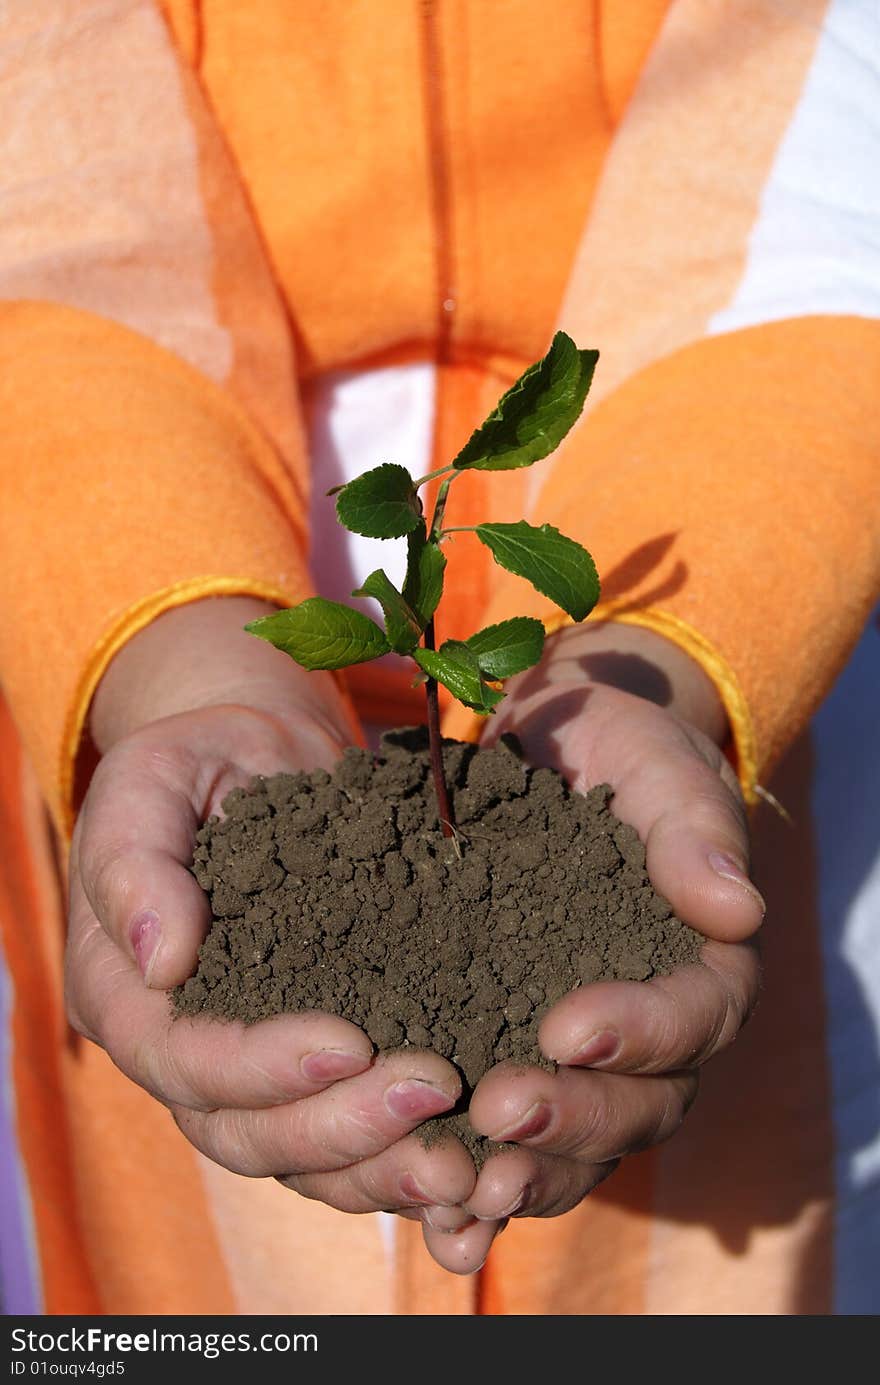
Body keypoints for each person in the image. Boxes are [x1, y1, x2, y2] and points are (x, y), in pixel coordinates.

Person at [0, 0, 878, 1314]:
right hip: (168, 546)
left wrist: (661, 663)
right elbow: (47, 185)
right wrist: (174, 648)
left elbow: (821, 182)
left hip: (740, 617)